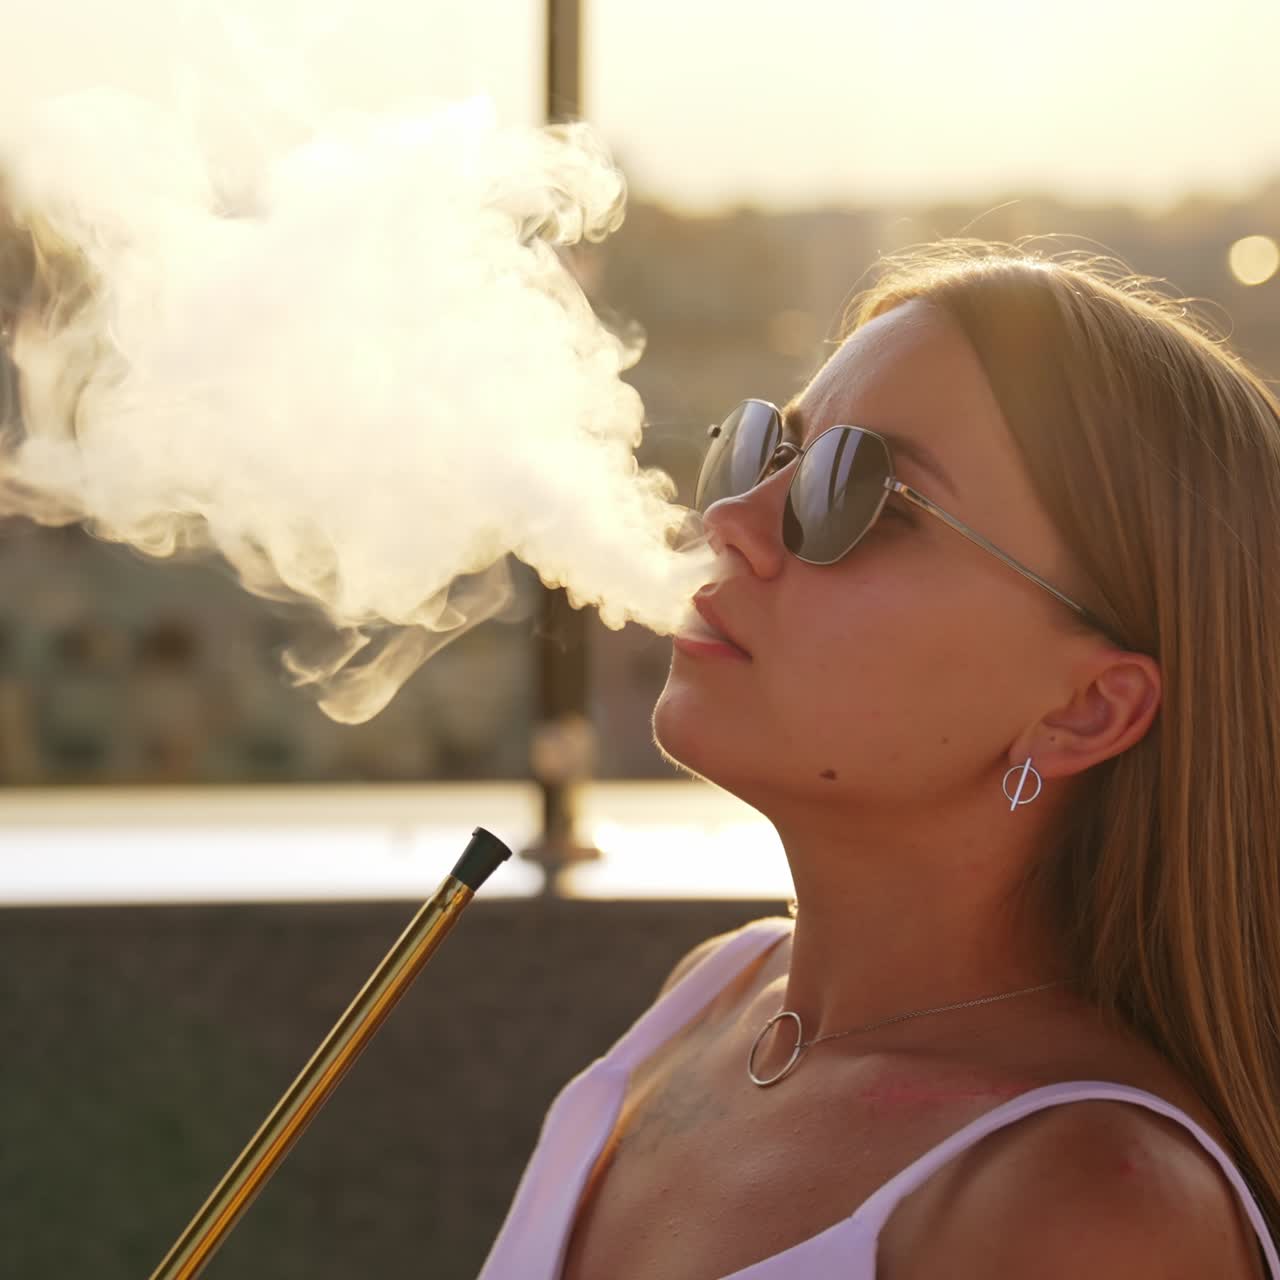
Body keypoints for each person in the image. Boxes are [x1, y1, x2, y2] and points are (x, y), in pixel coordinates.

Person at [478, 240, 1280, 1279]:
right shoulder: (713, 996)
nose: (728, 518)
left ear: (1085, 708)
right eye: (769, 449)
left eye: (863, 495)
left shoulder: (1087, 1211)